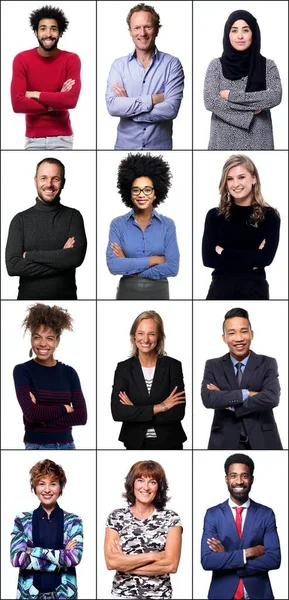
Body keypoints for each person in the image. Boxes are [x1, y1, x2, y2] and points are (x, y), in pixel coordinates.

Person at [201, 453, 281, 600]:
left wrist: (227, 560)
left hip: (259, 594)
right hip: (222, 593)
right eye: (233, 475)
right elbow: (207, 561)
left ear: (251, 479)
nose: (239, 481)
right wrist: (250, 552)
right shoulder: (212, 514)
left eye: (244, 476)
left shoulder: (266, 514)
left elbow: (274, 559)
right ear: (226, 479)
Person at [5, 157, 87, 300]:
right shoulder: (20, 220)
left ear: (63, 183)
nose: (49, 184)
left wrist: (29, 255)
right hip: (27, 302)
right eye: (44, 178)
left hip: (66, 302)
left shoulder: (73, 216)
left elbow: (75, 258)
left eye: (55, 178)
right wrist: (61, 258)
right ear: (35, 180)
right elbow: (13, 267)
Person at [201, 307, 283, 450]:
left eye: (244, 331)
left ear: (251, 334)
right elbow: (208, 399)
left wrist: (230, 404)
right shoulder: (213, 365)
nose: (239, 338)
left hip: (263, 440)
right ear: (224, 337)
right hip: (223, 440)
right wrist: (247, 393)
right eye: (232, 333)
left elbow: (272, 398)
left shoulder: (268, 363)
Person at [105, 3, 184, 150]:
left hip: (160, 149)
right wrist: (153, 99)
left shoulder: (172, 64)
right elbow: (112, 106)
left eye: (148, 27)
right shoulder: (119, 66)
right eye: (137, 28)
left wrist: (130, 109)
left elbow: (171, 109)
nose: (142, 33)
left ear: (157, 30)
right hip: (124, 148)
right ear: (130, 31)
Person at [202, 154, 280, 300]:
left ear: (254, 178)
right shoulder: (215, 215)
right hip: (220, 289)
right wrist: (251, 258)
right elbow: (208, 259)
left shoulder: (270, 216)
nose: (235, 184)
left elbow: (266, 259)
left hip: (254, 290)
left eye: (241, 177)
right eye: (230, 179)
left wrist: (223, 251)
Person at [204, 9, 282, 150]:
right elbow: (210, 102)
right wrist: (252, 110)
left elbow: (274, 97)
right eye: (234, 31)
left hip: (259, 141)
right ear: (227, 34)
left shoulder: (267, 65)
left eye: (245, 30)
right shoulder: (216, 65)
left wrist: (231, 96)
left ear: (254, 33)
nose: (240, 36)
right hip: (222, 143)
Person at [13, 303, 87, 450]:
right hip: (36, 446)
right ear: (31, 339)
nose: (43, 344)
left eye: (50, 338)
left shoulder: (69, 373)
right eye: (37, 337)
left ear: (57, 341)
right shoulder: (22, 371)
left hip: (67, 446)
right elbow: (31, 414)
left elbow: (81, 417)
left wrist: (41, 415)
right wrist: (64, 408)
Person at [105, 460, 182, 599]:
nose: (145, 487)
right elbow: (111, 563)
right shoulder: (116, 517)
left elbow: (171, 565)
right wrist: (155, 556)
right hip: (122, 595)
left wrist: (124, 562)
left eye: (152, 482)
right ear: (132, 483)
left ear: (159, 487)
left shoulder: (171, 518)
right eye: (140, 480)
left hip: (159, 596)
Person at [106, 152, 179, 300]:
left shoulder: (167, 224)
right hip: (127, 291)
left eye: (147, 190)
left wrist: (131, 269)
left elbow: (172, 267)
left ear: (155, 193)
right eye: (136, 190)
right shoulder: (118, 224)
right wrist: (153, 260)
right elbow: (114, 265)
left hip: (159, 291)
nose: (141, 195)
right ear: (129, 193)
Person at [111, 310, 187, 449]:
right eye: (140, 333)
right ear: (134, 336)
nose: (145, 339)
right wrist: (161, 407)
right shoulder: (124, 368)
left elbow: (177, 412)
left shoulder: (173, 366)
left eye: (151, 334)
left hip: (170, 442)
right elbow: (117, 412)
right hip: (134, 442)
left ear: (159, 337)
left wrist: (135, 412)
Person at [11, 5, 81, 150]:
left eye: (53, 29)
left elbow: (71, 100)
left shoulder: (71, 59)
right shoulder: (22, 59)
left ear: (60, 32)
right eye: (43, 28)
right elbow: (17, 105)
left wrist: (35, 94)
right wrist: (57, 100)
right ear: (35, 32)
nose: (48, 34)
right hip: (33, 138)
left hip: (63, 137)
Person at [11, 459, 83, 599]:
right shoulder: (22, 520)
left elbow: (74, 558)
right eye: (41, 484)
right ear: (34, 487)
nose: (47, 489)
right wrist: (60, 559)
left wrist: (33, 551)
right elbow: (17, 559)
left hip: (64, 594)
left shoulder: (73, 521)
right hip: (29, 595)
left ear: (60, 487)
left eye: (53, 484)